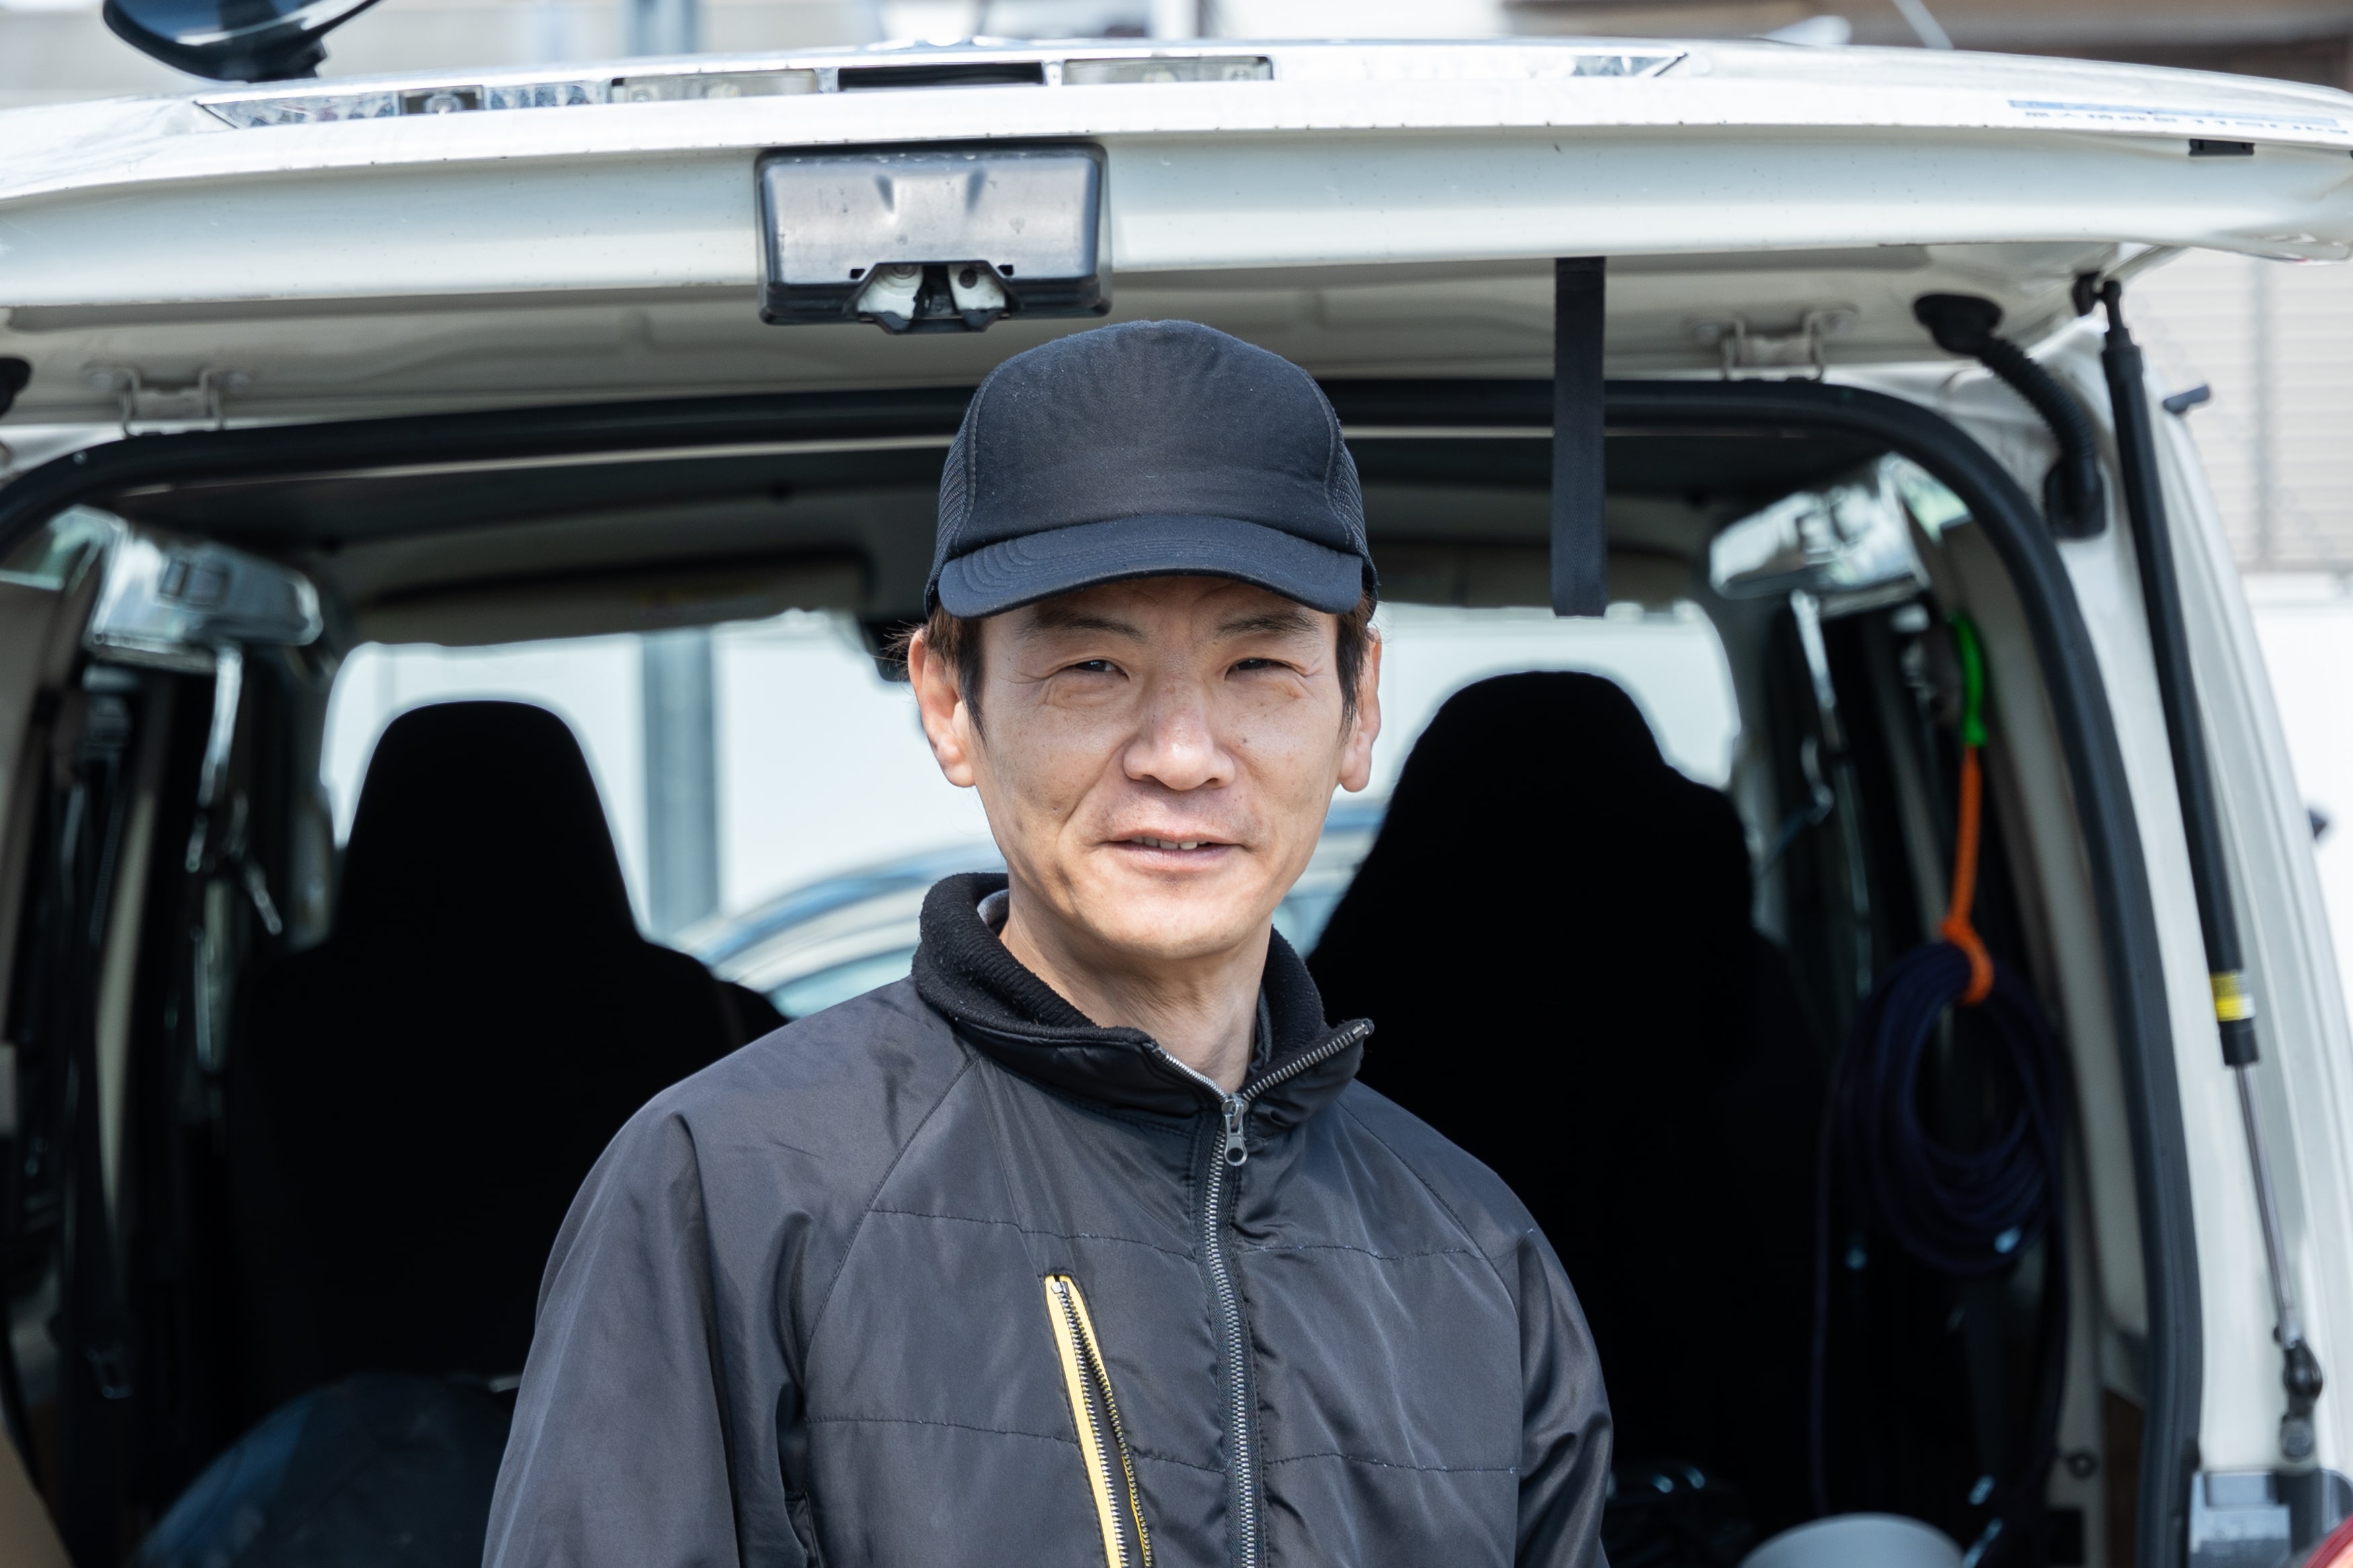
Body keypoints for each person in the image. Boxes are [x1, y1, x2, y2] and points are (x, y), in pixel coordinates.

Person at [483, 320, 1612, 1568]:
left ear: (1359, 706)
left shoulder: (1478, 1255)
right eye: (1090, 665)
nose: (1181, 754)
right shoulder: (732, 1191)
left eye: (1258, 664)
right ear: (947, 702)